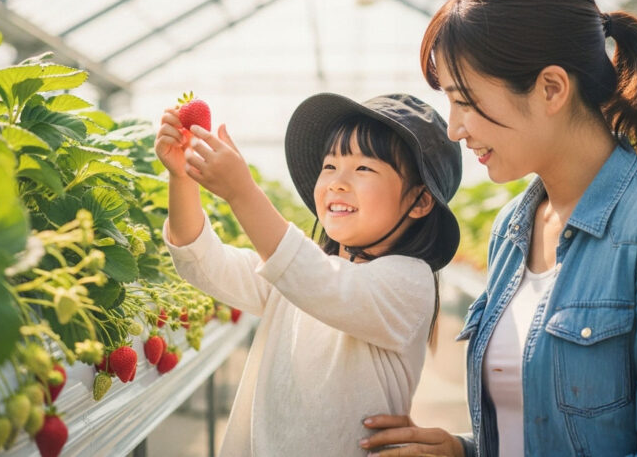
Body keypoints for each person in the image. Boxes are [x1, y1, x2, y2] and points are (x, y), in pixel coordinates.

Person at [360, 0, 637, 456]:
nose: (455, 128)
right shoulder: (510, 230)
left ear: (551, 89)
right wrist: (464, 452)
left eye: (466, 100)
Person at [156, 92, 463, 456]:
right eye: (330, 166)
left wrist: (241, 192)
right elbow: (205, 263)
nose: (337, 182)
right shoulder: (298, 277)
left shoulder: (408, 282)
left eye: (364, 168)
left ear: (420, 201)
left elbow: (314, 278)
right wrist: (181, 178)